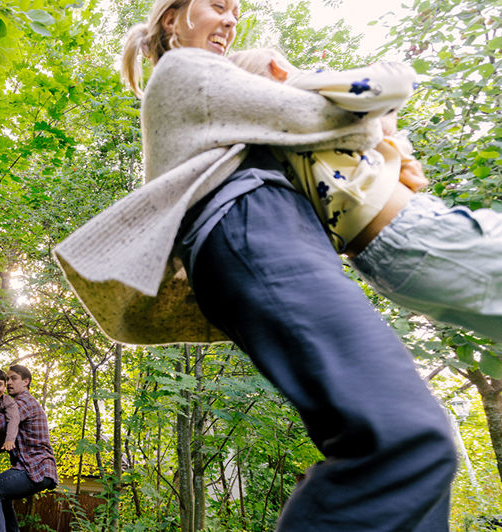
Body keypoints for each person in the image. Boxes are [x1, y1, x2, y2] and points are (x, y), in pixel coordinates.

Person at [52, 0, 457, 530]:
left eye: (236, 12)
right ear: (172, 19)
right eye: (217, 5)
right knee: (405, 440)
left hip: (267, 235)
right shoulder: (186, 70)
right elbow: (322, 117)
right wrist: (377, 107)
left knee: (416, 445)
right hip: (251, 225)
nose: (230, 18)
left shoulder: (211, 94)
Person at [230, 47, 502, 342]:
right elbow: (398, 80)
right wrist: (304, 79)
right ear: (277, 68)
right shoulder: (291, 95)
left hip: (383, 264)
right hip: (412, 233)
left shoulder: (264, 147)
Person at [0, 364, 58, 532]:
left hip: (36, 468)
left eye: (13, 378)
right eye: (7, 379)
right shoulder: (15, 404)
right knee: (1, 497)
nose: (9, 383)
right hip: (35, 468)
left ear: (26, 382)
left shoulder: (24, 401)